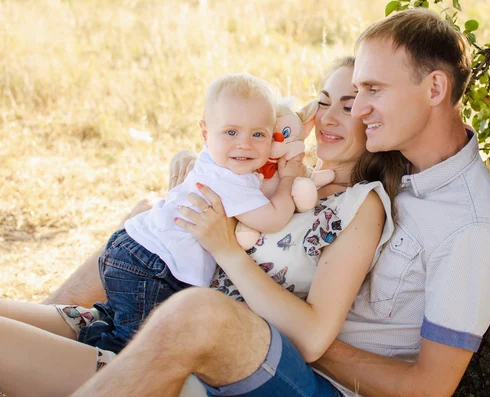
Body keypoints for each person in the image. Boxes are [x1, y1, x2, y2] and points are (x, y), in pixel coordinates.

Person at [66, 9, 490, 397]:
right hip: (265, 334)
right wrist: (201, 162)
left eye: (371, 91)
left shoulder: (470, 227)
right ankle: (74, 326)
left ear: (435, 89)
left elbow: (428, 389)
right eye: (352, 94)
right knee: (147, 225)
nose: (357, 110)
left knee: (198, 314)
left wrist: (267, 327)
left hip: (312, 377)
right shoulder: (397, 162)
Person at [0, 57, 403, 397]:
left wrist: (225, 246)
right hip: (145, 304)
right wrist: (190, 161)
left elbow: (314, 338)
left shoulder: (360, 205)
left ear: (374, 120)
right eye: (323, 102)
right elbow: (228, 150)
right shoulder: (292, 173)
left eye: (348, 107)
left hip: (177, 347)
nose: (328, 118)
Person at [52, 72, 312, 354]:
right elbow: (272, 219)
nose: (245, 144)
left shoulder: (217, 162)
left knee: (122, 325)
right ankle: (73, 366)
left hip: (136, 252)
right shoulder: (229, 179)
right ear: (205, 133)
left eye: (258, 134)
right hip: (153, 266)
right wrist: (288, 179)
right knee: (137, 351)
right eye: (231, 132)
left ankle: (89, 338)